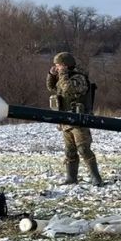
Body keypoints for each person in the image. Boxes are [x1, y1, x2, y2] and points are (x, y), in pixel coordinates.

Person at [46, 52, 104, 186]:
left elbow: (67, 89)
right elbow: (51, 87)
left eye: (59, 65)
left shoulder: (79, 78)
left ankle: (96, 178)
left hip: (79, 120)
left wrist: (63, 74)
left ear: (66, 65)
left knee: (83, 149)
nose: (57, 68)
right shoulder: (62, 78)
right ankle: (71, 178)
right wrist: (51, 74)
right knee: (69, 151)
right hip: (66, 120)